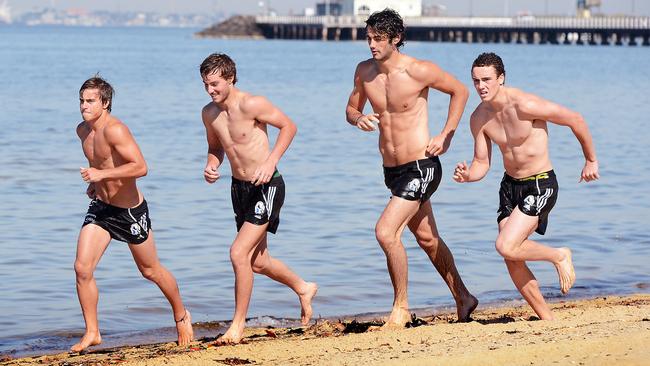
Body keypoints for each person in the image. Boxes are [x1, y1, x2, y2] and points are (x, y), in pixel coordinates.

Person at [345, 9, 478, 327]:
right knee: (428, 239)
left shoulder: (419, 70)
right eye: (368, 38)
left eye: (378, 39)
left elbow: (460, 91)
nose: (372, 45)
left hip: (422, 166)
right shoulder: (364, 72)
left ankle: (400, 308)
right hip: (392, 172)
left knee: (385, 232)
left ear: (396, 39)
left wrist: (446, 135)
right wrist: (358, 118)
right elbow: (351, 107)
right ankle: (464, 296)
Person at [453, 52, 599, 320]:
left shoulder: (525, 104)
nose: (481, 86)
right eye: (475, 81)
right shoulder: (478, 118)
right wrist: (468, 175)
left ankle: (559, 255)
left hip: (540, 184)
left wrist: (590, 159)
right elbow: (481, 163)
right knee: (511, 255)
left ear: (501, 78)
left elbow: (575, 118)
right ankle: (547, 318)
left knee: (506, 245)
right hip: (510, 187)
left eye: (486, 79)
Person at [199, 53, 318, 344]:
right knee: (258, 262)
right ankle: (303, 287)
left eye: (214, 84)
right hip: (239, 189)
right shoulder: (209, 113)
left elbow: (289, 126)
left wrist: (270, 161)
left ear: (229, 78)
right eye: (205, 85)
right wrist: (212, 164)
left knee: (239, 253)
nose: (210, 90)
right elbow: (216, 147)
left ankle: (237, 326)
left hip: (268, 186)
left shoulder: (252, 104)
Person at [73, 76, 193, 352]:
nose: (83, 106)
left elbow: (140, 167)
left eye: (90, 101)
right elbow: (102, 162)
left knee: (150, 271)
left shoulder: (116, 130)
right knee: (82, 268)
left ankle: (181, 315)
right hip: (102, 208)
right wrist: (96, 184)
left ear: (105, 103)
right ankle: (93, 331)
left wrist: (102, 174)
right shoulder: (82, 131)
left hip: (129, 212)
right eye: (81, 100)